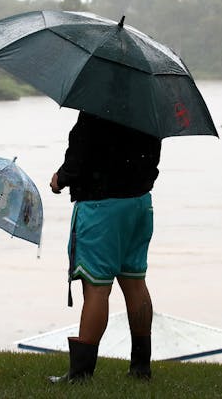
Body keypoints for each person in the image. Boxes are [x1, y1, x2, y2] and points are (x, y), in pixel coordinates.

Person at [49, 111, 161, 383]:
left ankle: (81, 373)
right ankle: (140, 367)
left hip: (101, 208)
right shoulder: (149, 109)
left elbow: (78, 157)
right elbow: (153, 161)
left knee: (97, 287)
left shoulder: (95, 109)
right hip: (139, 204)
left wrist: (60, 178)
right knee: (135, 282)